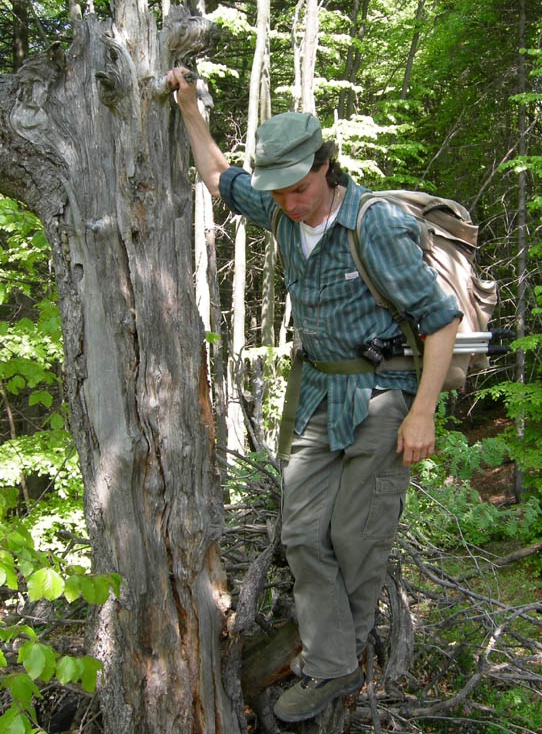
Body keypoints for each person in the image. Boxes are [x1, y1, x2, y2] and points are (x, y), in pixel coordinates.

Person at [166, 67, 461, 723]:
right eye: (279, 192)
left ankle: (336, 665)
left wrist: (422, 413)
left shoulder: (373, 225)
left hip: (384, 394)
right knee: (301, 534)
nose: (290, 204)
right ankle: (335, 653)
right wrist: (189, 108)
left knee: (357, 538)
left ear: (326, 167)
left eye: (299, 189)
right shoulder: (278, 202)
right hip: (319, 394)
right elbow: (220, 178)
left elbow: (441, 321)